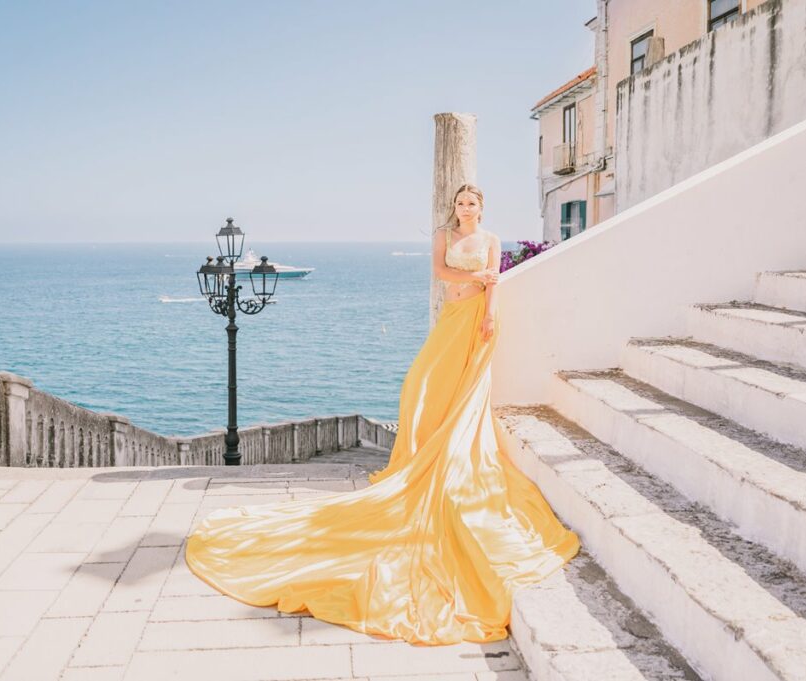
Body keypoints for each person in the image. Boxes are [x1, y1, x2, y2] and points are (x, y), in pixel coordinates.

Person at [185, 184, 580, 646]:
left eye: (471, 204)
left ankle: (449, 448)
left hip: (477, 318)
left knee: (464, 389)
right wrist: (476, 281)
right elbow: (439, 271)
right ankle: (419, 453)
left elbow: (493, 284)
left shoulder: (491, 239)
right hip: (453, 318)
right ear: (454, 208)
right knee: (419, 382)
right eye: (460, 204)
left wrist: (489, 313)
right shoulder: (444, 235)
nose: (465, 210)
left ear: (482, 207)